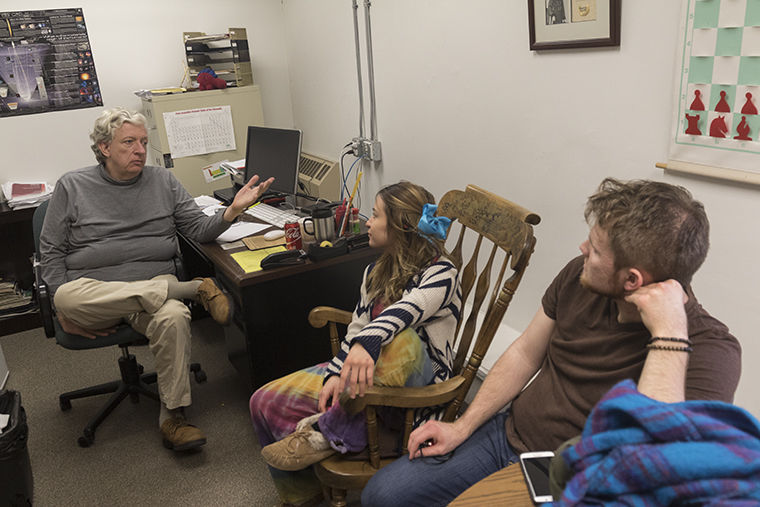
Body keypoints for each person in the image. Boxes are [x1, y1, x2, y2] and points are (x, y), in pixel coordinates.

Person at [361, 178, 742, 506]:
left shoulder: (711, 351)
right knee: (383, 495)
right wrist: (462, 426)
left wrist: (669, 336)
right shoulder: (580, 276)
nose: (581, 250)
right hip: (505, 435)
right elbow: (526, 353)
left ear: (632, 281)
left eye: (594, 249)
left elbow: (652, 466)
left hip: (573, 479)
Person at [40, 107, 273, 452]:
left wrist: (232, 211)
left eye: (144, 142)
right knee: (65, 297)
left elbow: (197, 229)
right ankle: (192, 289)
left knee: (175, 316)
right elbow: (51, 251)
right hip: (94, 294)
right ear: (104, 147)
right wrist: (63, 311)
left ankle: (173, 417)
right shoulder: (73, 186)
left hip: (150, 292)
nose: (140, 150)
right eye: (129, 142)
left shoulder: (162, 181)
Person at [248, 181, 462, 506]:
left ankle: (325, 430)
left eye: (375, 216)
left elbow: (408, 310)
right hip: (364, 377)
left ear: (401, 226)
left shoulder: (442, 273)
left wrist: (368, 343)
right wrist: (336, 373)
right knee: (263, 400)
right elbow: (359, 324)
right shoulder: (375, 270)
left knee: (403, 340)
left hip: (416, 392)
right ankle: (303, 495)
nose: (367, 222)